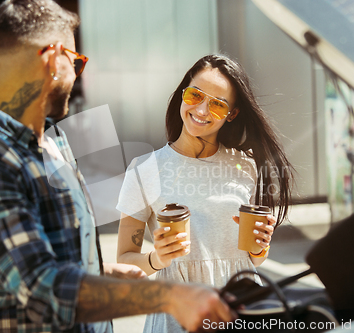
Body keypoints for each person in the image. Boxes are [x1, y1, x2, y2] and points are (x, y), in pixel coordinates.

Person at [0, 1, 236, 332]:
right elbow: (43, 288)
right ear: (53, 59)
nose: (79, 73)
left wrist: (99, 272)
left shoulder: (54, 142)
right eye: (76, 61)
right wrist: (168, 296)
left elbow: (51, 257)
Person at [117, 54, 294, 333]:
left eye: (217, 104)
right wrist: (158, 259)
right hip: (178, 316)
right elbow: (126, 259)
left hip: (241, 309)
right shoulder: (144, 170)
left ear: (231, 114)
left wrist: (260, 245)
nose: (201, 110)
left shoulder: (245, 166)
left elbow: (252, 259)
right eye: (195, 95)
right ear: (183, 93)